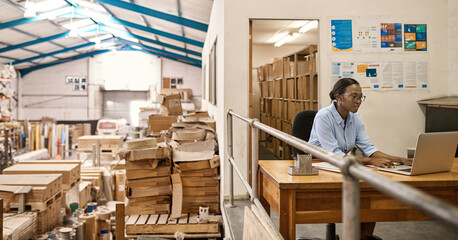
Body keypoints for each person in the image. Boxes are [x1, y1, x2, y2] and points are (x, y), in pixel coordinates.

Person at [308, 78, 412, 240]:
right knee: (357, 190)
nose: (358, 101)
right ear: (339, 97)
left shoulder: (355, 118)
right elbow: (333, 153)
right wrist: (370, 161)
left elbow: (368, 149)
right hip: (319, 166)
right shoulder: (324, 116)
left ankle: (364, 236)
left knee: (372, 186)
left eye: (361, 97)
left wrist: (399, 159)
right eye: (354, 97)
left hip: (341, 164)